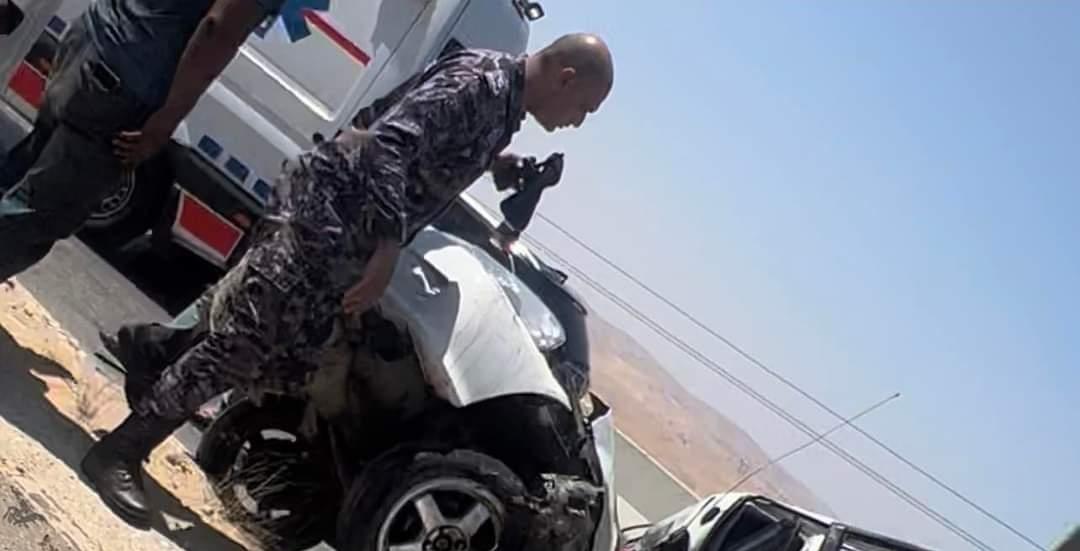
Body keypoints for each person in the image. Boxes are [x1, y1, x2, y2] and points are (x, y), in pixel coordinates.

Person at [81, 32, 615, 529]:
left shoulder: (501, 103)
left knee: (281, 348)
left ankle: (154, 350)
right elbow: (389, 145)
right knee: (245, 346)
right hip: (329, 220)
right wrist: (387, 247)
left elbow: (428, 134)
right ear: (566, 78)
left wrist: (498, 165)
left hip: (344, 231)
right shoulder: (481, 84)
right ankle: (120, 452)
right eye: (584, 109)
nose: (578, 122)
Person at [0, 0, 289, 280]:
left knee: (25, 172)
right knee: (39, 214)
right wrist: (165, 123)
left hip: (95, 36)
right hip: (125, 83)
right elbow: (218, 29)